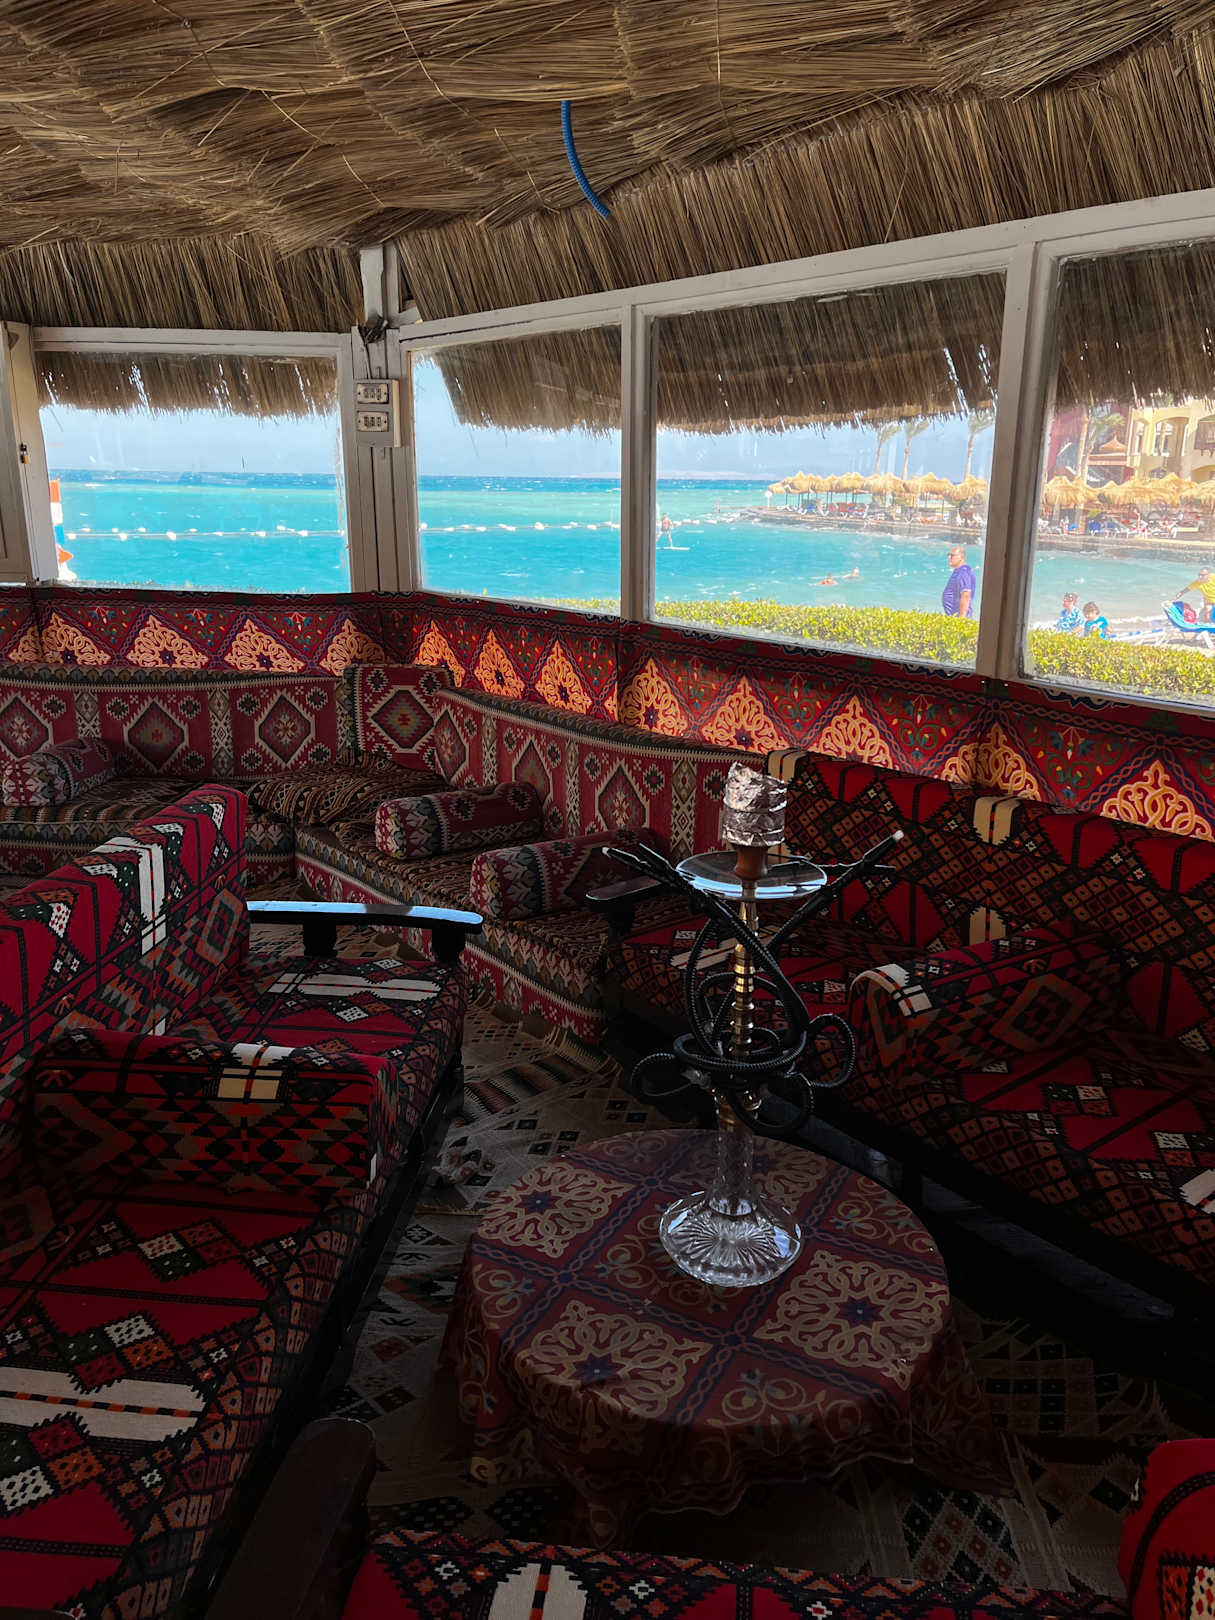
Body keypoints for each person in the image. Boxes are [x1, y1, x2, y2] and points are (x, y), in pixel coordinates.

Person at [941, 545, 976, 617]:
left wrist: (961, 619)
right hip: (954, 616)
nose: (949, 558)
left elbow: (966, 594)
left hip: (959, 618)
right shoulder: (959, 571)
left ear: (961, 557)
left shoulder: (963, 572)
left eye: (952, 555)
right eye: (948, 555)